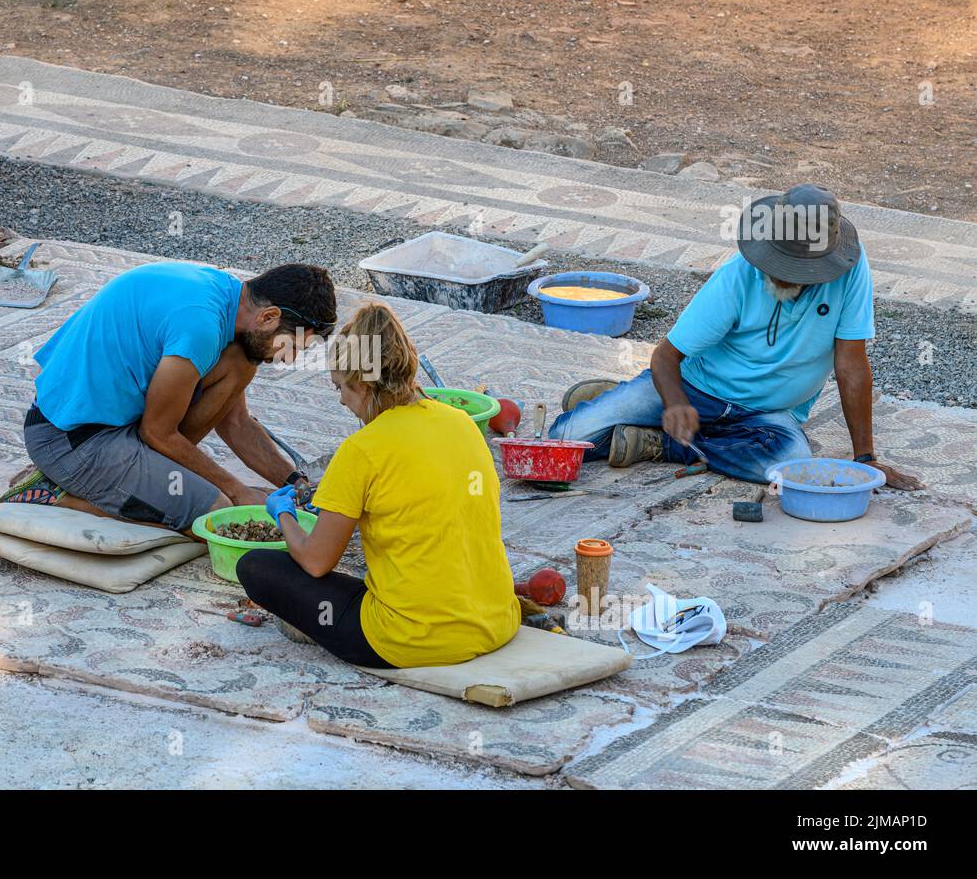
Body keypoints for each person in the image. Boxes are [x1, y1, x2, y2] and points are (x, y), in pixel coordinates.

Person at [549, 184, 922, 490]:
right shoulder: (737, 276)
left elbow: (851, 365)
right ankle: (646, 405)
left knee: (788, 466)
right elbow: (666, 356)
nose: (779, 275)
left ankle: (662, 442)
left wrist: (866, 459)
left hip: (770, 414)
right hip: (697, 390)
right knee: (566, 437)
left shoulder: (851, 270)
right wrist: (678, 402)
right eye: (777, 263)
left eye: (793, 270)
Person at [237, 302, 520, 669]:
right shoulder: (463, 424)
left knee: (256, 567)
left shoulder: (361, 450)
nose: (341, 400)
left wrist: (284, 516)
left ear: (365, 384)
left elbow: (316, 562)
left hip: (410, 641)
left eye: (342, 388)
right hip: (497, 621)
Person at [12, 261, 337, 533]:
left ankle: (143, 482)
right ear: (268, 317)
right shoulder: (201, 326)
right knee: (216, 517)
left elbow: (236, 422)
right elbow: (157, 432)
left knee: (241, 363)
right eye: (291, 346)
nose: (288, 359)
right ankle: (59, 498)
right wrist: (236, 491)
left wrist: (296, 483)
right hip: (69, 439)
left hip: (117, 426)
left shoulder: (227, 297)